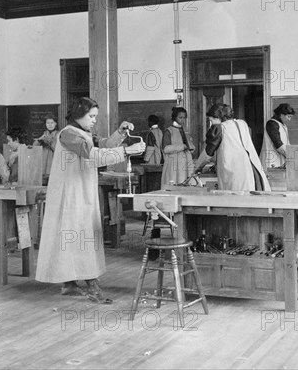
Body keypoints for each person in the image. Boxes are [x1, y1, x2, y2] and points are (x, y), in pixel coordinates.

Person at [35, 97, 145, 303]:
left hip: (80, 191)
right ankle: (91, 285)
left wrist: (120, 133)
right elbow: (92, 154)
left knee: (76, 235)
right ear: (79, 115)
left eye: (95, 116)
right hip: (70, 194)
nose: (94, 120)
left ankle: (69, 285)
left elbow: (103, 144)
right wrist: (126, 151)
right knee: (80, 235)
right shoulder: (68, 133)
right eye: (91, 116)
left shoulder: (82, 133)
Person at [194, 103, 271, 192]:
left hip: (236, 171)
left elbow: (208, 152)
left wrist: (196, 168)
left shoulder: (220, 128)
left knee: (236, 199)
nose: (211, 124)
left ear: (218, 117)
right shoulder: (242, 123)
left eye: (211, 120)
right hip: (252, 167)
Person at [161, 107, 195, 188]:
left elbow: (190, 147)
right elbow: (165, 149)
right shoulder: (169, 131)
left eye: (184, 118)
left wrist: (191, 147)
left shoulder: (185, 130)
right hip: (174, 164)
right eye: (180, 117)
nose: (182, 120)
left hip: (185, 163)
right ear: (174, 117)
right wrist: (182, 146)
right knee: (174, 185)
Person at [260, 103, 295, 169]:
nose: (289, 119)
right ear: (281, 115)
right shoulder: (272, 124)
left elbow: (286, 144)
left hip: (279, 161)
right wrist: (291, 156)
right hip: (271, 161)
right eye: (288, 116)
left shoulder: (282, 125)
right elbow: (278, 144)